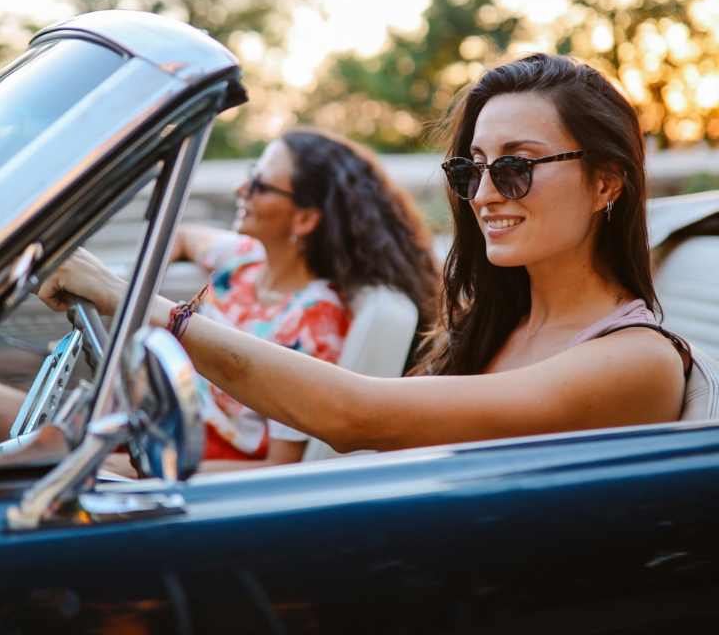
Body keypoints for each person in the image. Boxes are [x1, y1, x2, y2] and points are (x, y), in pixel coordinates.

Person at [40, 54, 695, 457]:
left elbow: (356, 416)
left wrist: (135, 303)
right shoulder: (494, 325)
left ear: (607, 181)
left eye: (517, 169)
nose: (485, 195)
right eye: (473, 171)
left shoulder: (636, 360)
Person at [169, 128, 438, 470]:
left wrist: (153, 470)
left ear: (306, 218)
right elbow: (184, 236)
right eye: (251, 176)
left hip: (191, 463)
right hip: (164, 424)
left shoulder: (315, 323)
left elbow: (281, 468)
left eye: (260, 187)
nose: (242, 190)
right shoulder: (242, 257)